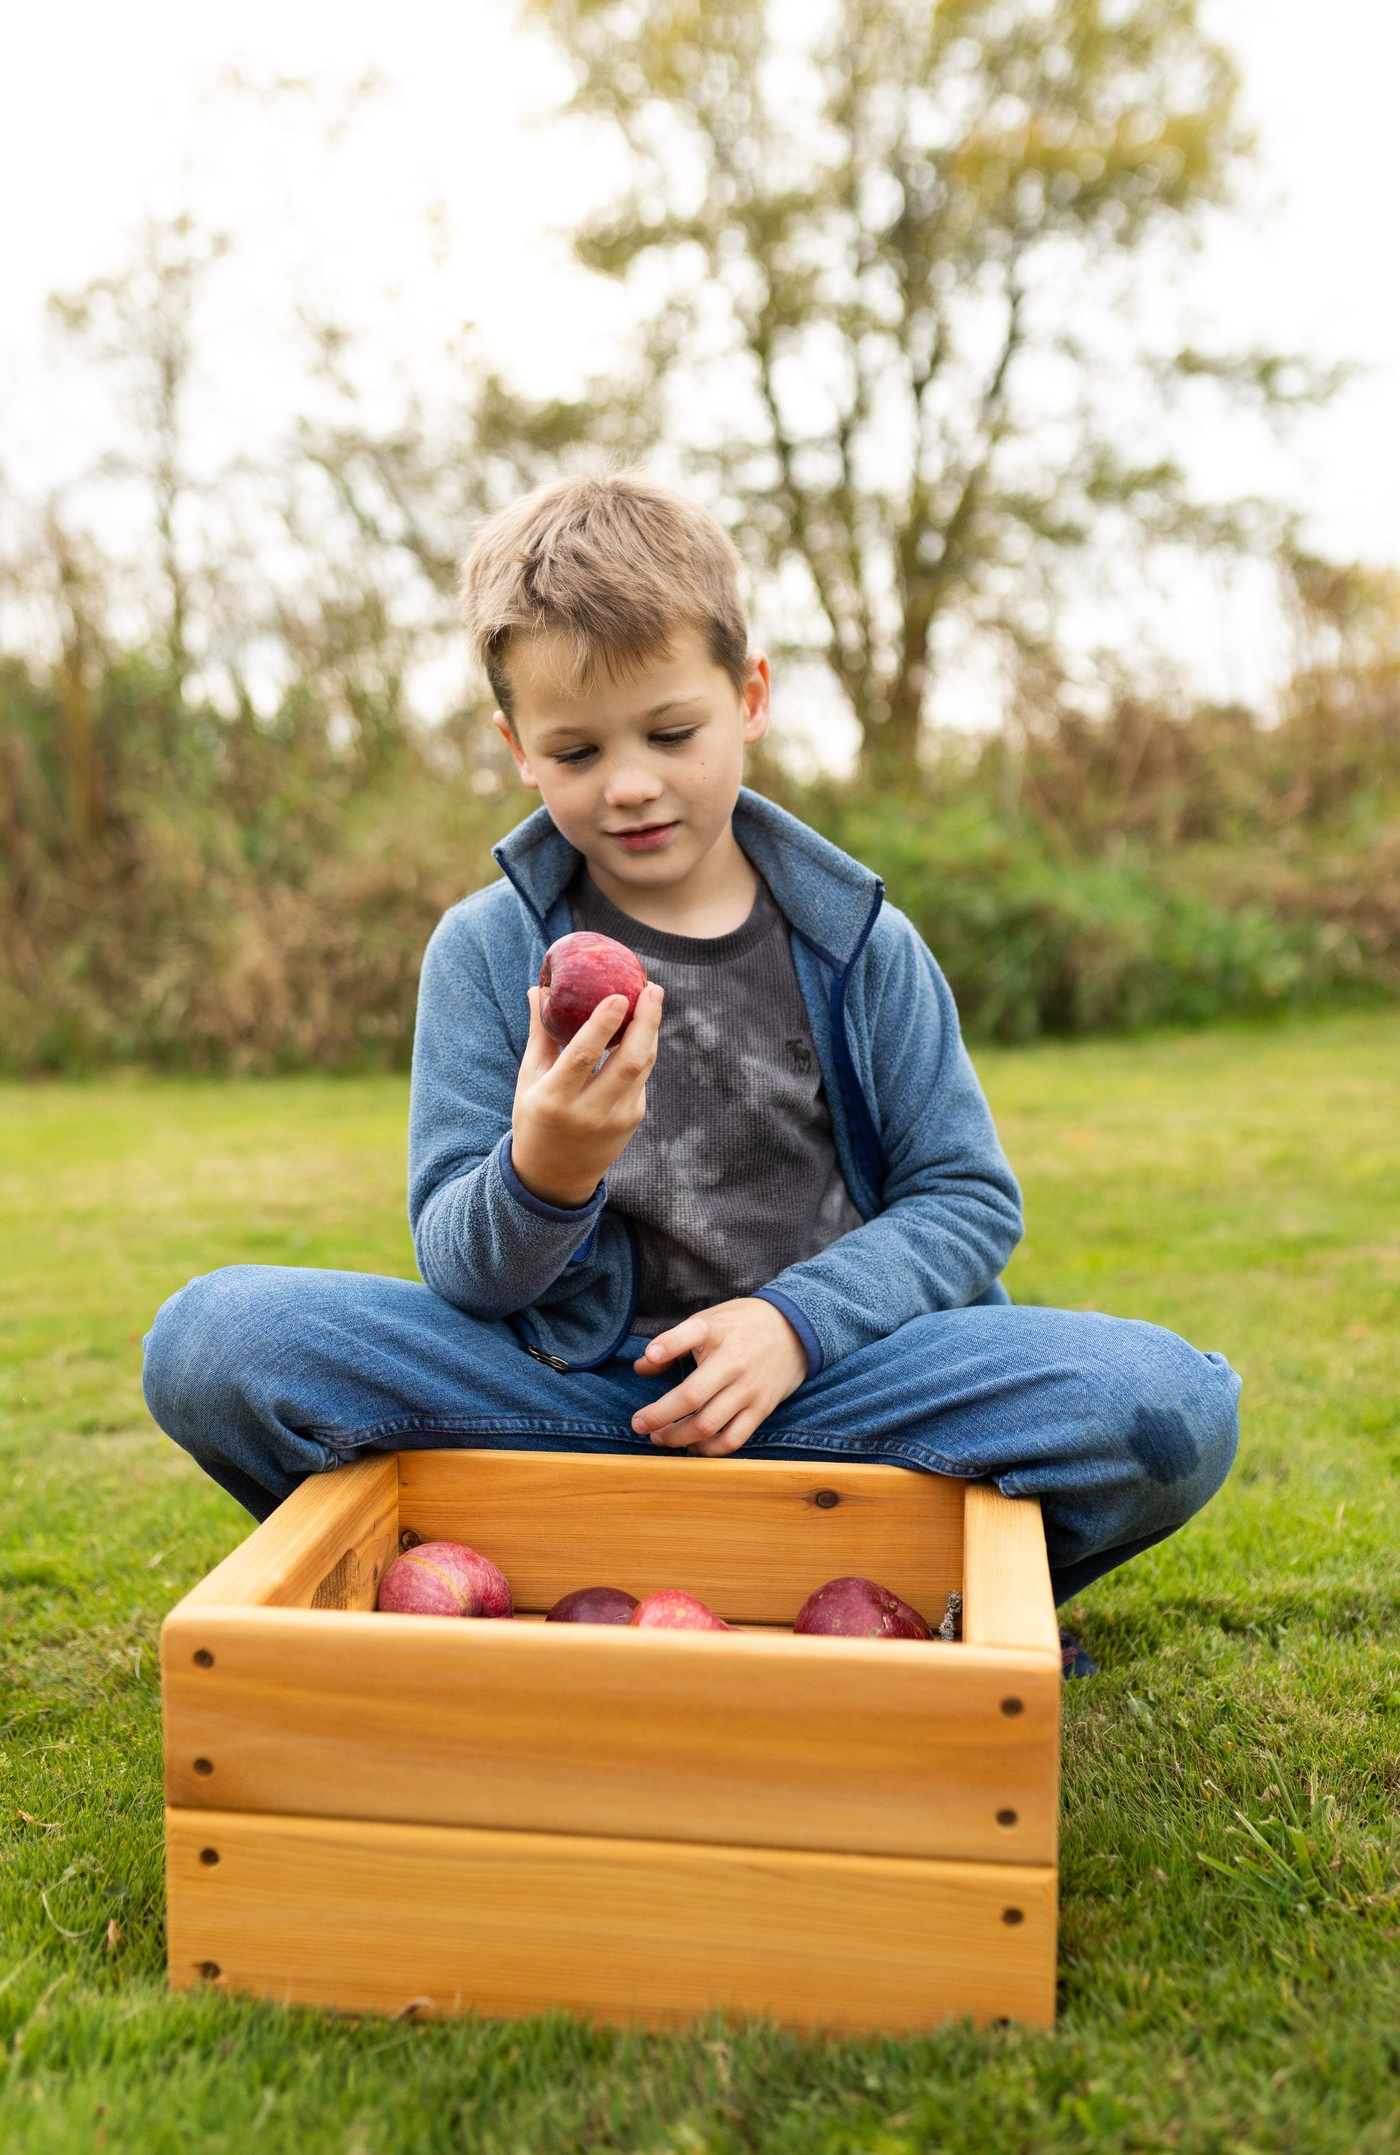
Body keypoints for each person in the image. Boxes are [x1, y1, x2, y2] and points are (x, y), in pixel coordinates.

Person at [142, 472, 1238, 1664]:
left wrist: (794, 1322)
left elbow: (966, 1200)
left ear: (748, 695)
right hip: (562, 1399)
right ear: (516, 748)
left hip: (827, 1400)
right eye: (575, 748)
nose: (628, 782)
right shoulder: (484, 952)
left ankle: (926, 1595)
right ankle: (482, 1586)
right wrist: (543, 1172)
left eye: (670, 732)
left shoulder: (858, 939)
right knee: (214, 1338)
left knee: (1165, 1400)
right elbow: (458, 1269)